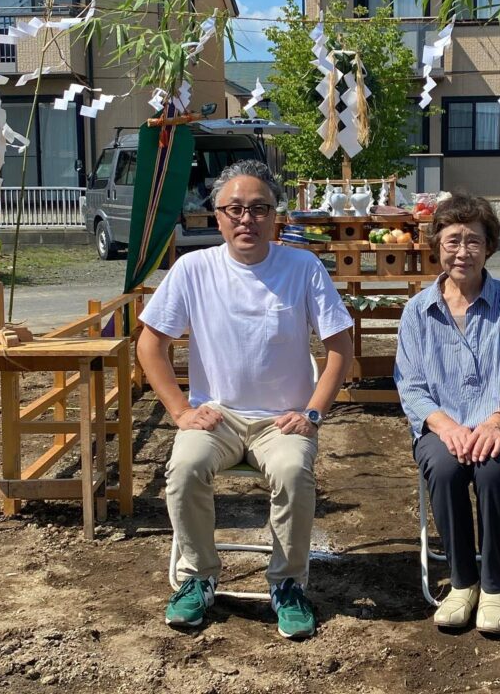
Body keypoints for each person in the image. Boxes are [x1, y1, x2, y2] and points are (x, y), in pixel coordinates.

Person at [137, 160, 354, 640]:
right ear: (217, 216)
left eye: (259, 208)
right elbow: (150, 344)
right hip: (217, 415)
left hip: (282, 420)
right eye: (234, 209)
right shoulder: (193, 269)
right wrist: (180, 411)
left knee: (293, 472)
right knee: (185, 467)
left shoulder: (302, 267)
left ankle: (288, 583)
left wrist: (313, 413)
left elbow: (340, 347)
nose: (246, 219)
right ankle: (198, 576)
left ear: (276, 215)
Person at [394, 191, 500, 635]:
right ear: (437, 246)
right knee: (444, 468)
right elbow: (411, 386)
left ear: (489, 246)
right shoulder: (417, 311)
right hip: (442, 427)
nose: (463, 251)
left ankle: (495, 587)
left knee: (492, 470)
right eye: (453, 240)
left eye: (474, 241)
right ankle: (462, 583)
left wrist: (498, 421)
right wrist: (446, 427)